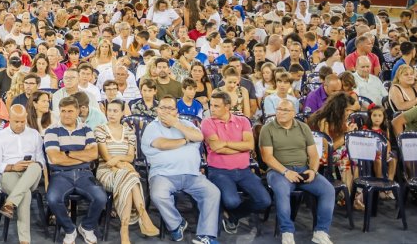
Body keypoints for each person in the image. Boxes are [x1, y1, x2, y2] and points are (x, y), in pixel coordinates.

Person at [140, 96, 220, 244]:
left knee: (213, 192)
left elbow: (199, 136)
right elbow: (162, 144)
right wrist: (185, 140)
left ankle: (207, 235)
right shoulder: (152, 127)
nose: (166, 111)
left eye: (170, 108)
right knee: (158, 195)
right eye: (163, 107)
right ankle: (177, 224)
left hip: (192, 174)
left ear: (176, 111)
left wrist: (177, 124)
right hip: (163, 175)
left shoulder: (186, 124)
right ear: (157, 110)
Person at [260, 99, 335, 244]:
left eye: (285, 110)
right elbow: (267, 157)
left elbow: (314, 155)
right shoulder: (267, 129)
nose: (280, 112)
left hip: (303, 169)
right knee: (282, 191)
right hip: (278, 171)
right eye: (278, 109)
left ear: (293, 113)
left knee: (328, 190)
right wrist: (285, 172)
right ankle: (287, 232)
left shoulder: (303, 127)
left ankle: (321, 232)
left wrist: (313, 171)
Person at [200, 91, 270, 233]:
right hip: (219, 171)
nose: (212, 109)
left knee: (265, 200)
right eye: (211, 105)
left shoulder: (243, 121)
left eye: (216, 106)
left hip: (244, 170)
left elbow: (249, 145)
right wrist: (240, 148)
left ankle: (233, 216)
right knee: (232, 201)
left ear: (227, 107)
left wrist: (225, 143)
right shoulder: (207, 122)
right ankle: (230, 212)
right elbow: (216, 147)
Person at [43, 97, 108, 244]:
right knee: (53, 199)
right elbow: (55, 158)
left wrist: (67, 153)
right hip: (60, 175)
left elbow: (93, 154)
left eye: (70, 111)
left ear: (78, 111)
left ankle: (86, 226)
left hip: (85, 174)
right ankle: (69, 229)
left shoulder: (86, 129)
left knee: (101, 198)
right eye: (63, 111)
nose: (66, 114)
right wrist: (82, 155)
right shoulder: (52, 130)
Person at [94, 100, 159, 244]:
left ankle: (124, 230)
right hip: (106, 171)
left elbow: (130, 157)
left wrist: (118, 160)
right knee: (131, 177)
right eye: (109, 110)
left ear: (123, 113)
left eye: (115, 111)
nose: (111, 114)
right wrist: (121, 164)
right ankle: (143, 215)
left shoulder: (129, 131)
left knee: (127, 180)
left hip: (123, 171)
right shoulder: (100, 129)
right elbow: (106, 158)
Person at [0, 104, 44, 244]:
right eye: (16, 121)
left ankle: (10, 202)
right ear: (9, 119)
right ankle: (24, 240)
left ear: (26, 118)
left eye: (22, 121)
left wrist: (32, 164)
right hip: (10, 173)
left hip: (32, 174)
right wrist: (13, 166)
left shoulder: (35, 134)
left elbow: (41, 160)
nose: (20, 125)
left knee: (36, 166)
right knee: (25, 194)